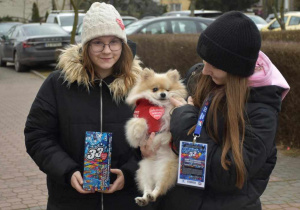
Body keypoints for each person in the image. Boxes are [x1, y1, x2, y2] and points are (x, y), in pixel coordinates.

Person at [148, 11, 290, 210]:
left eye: (213, 64)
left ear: (234, 68)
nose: (204, 69)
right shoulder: (202, 79)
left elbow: (228, 174)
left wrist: (186, 119)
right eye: (204, 60)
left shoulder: (261, 112)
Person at [24, 2, 149, 210]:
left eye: (114, 42)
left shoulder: (141, 88)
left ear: (123, 44)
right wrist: (67, 171)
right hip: (70, 200)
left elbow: (154, 141)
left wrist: (129, 172)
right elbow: (37, 135)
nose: (107, 50)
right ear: (86, 46)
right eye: (98, 42)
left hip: (126, 200)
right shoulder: (58, 84)